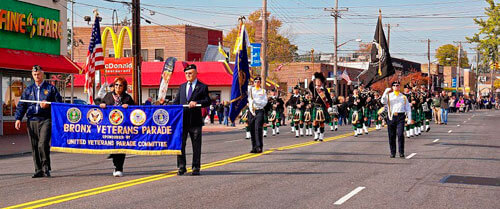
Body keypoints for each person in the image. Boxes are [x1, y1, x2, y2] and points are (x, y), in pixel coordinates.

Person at [15, 65, 62, 178]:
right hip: (32, 120)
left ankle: (46, 168)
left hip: (45, 119)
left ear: (43, 74)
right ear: (32, 75)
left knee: (42, 144)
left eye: (39, 74)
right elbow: (22, 105)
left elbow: (58, 103)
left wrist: (48, 104)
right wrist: (18, 118)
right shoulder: (28, 89)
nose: (37, 76)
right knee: (34, 145)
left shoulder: (51, 89)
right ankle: (38, 169)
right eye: (35, 74)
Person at [171, 64, 211, 176]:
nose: (188, 75)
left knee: (196, 145)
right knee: (180, 145)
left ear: (196, 73)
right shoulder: (182, 86)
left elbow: (207, 101)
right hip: (182, 121)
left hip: (195, 121)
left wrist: (197, 103)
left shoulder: (202, 86)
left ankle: (196, 167)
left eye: (190, 73)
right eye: (186, 74)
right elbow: (177, 102)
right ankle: (181, 167)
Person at [99, 77, 135, 177]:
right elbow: (100, 103)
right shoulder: (108, 96)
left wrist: (128, 106)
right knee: (113, 147)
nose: (118, 87)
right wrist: (101, 105)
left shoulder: (127, 97)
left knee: (121, 147)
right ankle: (115, 164)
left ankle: (119, 168)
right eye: (116, 85)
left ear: (124, 87)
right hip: (111, 127)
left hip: (123, 127)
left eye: (120, 85)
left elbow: (135, 110)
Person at [381, 81, 411, 158]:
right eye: (394, 85)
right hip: (391, 116)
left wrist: (409, 118)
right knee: (391, 135)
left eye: (397, 85)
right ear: (392, 87)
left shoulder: (403, 97)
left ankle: (401, 152)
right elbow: (382, 101)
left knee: (400, 134)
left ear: (399, 86)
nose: (396, 87)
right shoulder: (389, 95)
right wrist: (385, 92)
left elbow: (408, 108)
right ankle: (392, 152)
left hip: (400, 116)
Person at [309, 72, 333, 141]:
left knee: (322, 122)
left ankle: (321, 135)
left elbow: (329, 99)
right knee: (315, 121)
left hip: (322, 107)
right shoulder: (314, 89)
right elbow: (310, 86)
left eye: (319, 81)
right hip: (315, 107)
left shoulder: (324, 90)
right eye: (316, 81)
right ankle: (316, 134)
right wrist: (311, 80)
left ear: (321, 82)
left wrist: (330, 106)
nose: (318, 82)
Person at [247, 76, 268, 153]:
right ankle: (254, 147)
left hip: (259, 110)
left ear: (260, 83)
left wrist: (256, 102)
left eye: (258, 82)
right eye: (255, 82)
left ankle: (259, 146)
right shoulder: (250, 90)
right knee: (252, 128)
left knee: (258, 129)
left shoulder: (262, 91)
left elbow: (264, 102)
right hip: (251, 111)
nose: (257, 83)